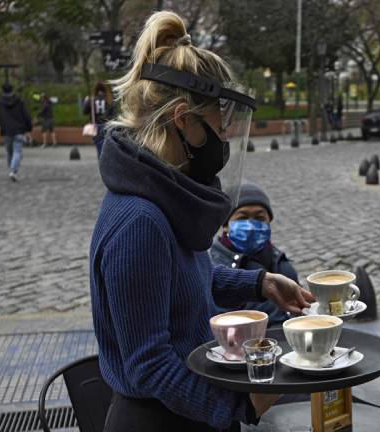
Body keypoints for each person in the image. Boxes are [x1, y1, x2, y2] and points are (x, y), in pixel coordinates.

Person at [89, 11, 314, 432]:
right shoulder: (140, 220)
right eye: (219, 120)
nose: (225, 134)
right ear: (183, 119)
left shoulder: (164, 196)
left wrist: (259, 283)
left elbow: (179, 280)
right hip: (161, 422)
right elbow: (148, 366)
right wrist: (239, 410)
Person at [210, 182, 294, 327]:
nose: (250, 225)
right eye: (242, 218)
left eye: (259, 218)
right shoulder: (215, 268)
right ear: (225, 224)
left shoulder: (278, 258)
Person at [0, 83, 32, 181]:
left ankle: (11, 171)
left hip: (6, 131)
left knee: (9, 152)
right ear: (12, 90)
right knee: (17, 152)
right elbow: (26, 116)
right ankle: (13, 171)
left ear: (3, 91)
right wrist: (28, 129)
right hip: (19, 130)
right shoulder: (20, 101)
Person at [84, 81, 116, 158]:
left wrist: (86, 102)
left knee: (98, 146)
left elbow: (85, 112)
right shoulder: (109, 99)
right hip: (107, 125)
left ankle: (101, 161)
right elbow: (113, 114)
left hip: (96, 126)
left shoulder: (91, 100)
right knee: (107, 145)